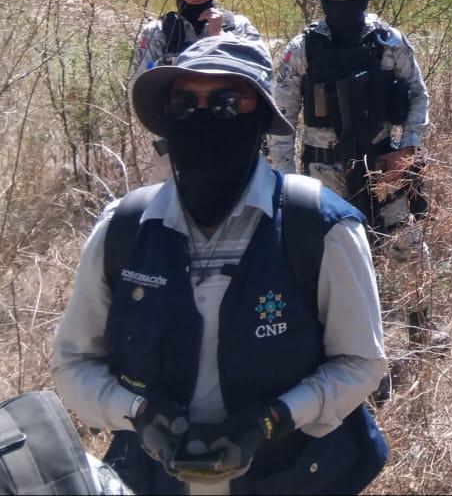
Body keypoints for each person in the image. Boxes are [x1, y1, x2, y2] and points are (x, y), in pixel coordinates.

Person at [52, 35, 387, 495]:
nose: (204, 116)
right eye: (185, 102)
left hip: (288, 478)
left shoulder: (319, 225)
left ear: (260, 119)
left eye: (228, 103)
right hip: (152, 481)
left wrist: (273, 420)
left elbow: (360, 362)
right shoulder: (125, 229)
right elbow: (74, 364)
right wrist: (137, 413)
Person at [269, 0, 442, 401]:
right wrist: (282, 184)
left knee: (408, 244)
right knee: (339, 263)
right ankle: (349, 354)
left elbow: (418, 94)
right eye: (335, 0)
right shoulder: (302, 48)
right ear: (322, 1)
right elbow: (281, 118)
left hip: (384, 164)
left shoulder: (388, 41)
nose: (344, 6)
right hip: (325, 171)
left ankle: (422, 328)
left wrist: (408, 148)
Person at [132, 0, 261, 83]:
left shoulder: (238, 26)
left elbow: (260, 75)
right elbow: (141, 81)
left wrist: (219, 39)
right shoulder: (157, 32)